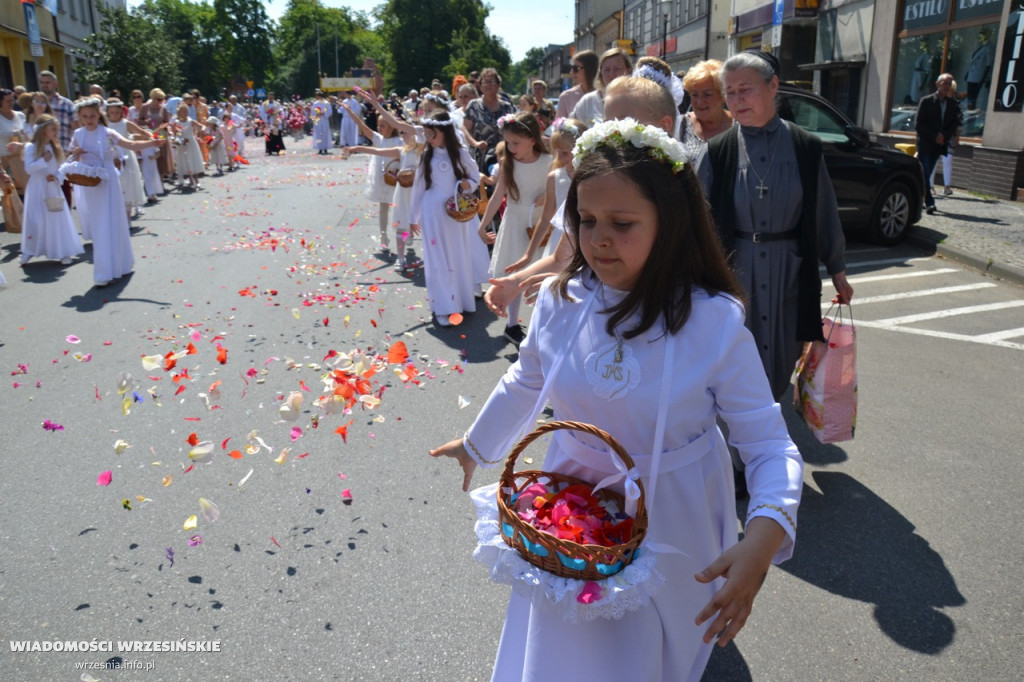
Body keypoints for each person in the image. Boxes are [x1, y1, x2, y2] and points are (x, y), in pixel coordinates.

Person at [429, 118, 803, 682]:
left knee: (647, 650)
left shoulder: (712, 322)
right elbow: (528, 380)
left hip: (675, 510)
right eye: (586, 220)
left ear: (671, 223)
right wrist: (476, 444)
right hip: (571, 507)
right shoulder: (561, 300)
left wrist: (763, 536)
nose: (598, 238)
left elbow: (768, 444)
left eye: (622, 224)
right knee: (569, 642)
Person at [698, 49, 853, 402]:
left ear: (773, 87)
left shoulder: (804, 146)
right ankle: (741, 433)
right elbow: (695, 223)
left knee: (784, 358)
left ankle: (768, 419)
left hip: (790, 271)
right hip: (735, 273)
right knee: (735, 363)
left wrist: (838, 270)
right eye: (730, 92)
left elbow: (824, 212)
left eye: (746, 89)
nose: (737, 100)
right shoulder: (717, 152)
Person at [483, 75, 679, 319]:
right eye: (608, 121)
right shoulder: (593, 185)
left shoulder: (676, 187)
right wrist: (515, 282)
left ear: (664, 126)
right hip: (601, 308)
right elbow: (560, 257)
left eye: (624, 121)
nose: (613, 130)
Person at [67, 97, 164, 286]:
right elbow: (70, 156)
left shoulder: (107, 133)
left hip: (108, 180)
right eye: (85, 116)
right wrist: (75, 152)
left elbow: (130, 145)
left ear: (99, 115)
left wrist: (152, 143)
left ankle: (120, 264)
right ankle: (104, 271)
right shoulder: (78, 134)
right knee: (99, 224)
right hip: (90, 182)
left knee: (113, 221)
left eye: (92, 116)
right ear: (79, 117)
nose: (89, 119)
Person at [476, 112, 552, 347]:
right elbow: (498, 195)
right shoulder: (508, 163)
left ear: (532, 139)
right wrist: (482, 225)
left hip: (542, 223)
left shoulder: (549, 160)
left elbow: (560, 184)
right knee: (515, 275)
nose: (510, 148)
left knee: (541, 274)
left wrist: (547, 195)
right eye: (507, 142)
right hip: (516, 222)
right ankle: (512, 324)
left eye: (516, 142)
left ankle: (541, 326)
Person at [408, 111, 490, 327]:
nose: (429, 138)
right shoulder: (427, 155)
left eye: (432, 133)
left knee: (457, 256)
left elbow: (474, 176)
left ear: (445, 132)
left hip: (454, 211)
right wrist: (413, 216)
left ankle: (461, 301)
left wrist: (467, 185)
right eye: (427, 134)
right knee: (438, 259)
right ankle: (444, 307)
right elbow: (418, 186)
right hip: (432, 212)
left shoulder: (460, 153)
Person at [508, 117, 588, 273]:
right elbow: (545, 219)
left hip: (585, 239)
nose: (560, 158)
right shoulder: (555, 178)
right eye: (557, 153)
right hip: (560, 242)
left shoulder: (593, 177)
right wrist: (529, 254)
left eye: (565, 153)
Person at [340, 98, 402, 255]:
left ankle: (404, 234)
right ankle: (383, 236)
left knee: (401, 207)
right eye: (379, 125)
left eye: (383, 126)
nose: (379, 128)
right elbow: (362, 126)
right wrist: (350, 112)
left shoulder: (400, 141)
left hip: (397, 178)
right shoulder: (378, 139)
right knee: (383, 206)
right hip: (382, 178)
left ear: (392, 126)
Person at [19, 115, 83, 266]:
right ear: (43, 130)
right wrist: (43, 160)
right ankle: (29, 250)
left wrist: (56, 177)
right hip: (37, 188)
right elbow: (29, 169)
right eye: (53, 129)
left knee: (56, 218)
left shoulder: (55, 147)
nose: (56, 132)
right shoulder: (31, 147)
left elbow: (61, 167)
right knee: (36, 219)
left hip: (52, 188)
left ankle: (62, 251)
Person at [916, 73, 961, 214]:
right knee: (925, 174)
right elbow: (919, 124)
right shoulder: (926, 101)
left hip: (939, 145)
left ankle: (918, 199)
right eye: (944, 83)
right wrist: (934, 135)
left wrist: (944, 136)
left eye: (949, 83)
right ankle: (929, 202)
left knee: (926, 174)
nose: (947, 86)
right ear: (937, 84)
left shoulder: (952, 104)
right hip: (926, 143)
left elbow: (953, 124)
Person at [464, 68, 516, 171]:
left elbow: (515, 130)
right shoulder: (474, 105)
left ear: (498, 85)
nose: (488, 85)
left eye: (491, 81)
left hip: (503, 155)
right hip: (480, 156)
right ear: (480, 86)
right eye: (485, 82)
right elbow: (465, 129)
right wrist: (475, 143)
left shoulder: (507, 107)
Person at [681, 59, 733, 160]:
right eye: (694, 95)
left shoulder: (739, 125)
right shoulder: (681, 125)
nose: (700, 101)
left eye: (707, 94)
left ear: (723, 96)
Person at [104, 98, 148, 219]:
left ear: (121, 112)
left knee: (128, 184)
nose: (115, 115)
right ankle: (117, 214)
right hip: (111, 156)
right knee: (115, 184)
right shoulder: (105, 125)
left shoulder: (125, 123)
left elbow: (142, 132)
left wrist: (152, 136)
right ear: (108, 112)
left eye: (117, 112)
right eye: (112, 112)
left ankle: (127, 215)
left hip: (126, 154)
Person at [571, 48, 632, 127]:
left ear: (629, 71)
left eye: (617, 69)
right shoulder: (588, 101)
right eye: (607, 70)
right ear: (600, 73)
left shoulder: (637, 100)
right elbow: (571, 129)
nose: (611, 74)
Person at [0, 88, 28, 195]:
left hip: (22, 160)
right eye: (8, 101)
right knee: (12, 194)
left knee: (26, 192)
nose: (11, 103)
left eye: (12, 100)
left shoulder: (20, 115)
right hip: (6, 162)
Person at [38, 71, 74, 152]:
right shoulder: (35, 105)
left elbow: (75, 127)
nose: (44, 85)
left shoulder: (66, 104)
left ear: (55, 84)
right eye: (42, 82)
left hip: (63, 150)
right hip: (42, 152)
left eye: (47, 82)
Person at [171, 103, 204, 191]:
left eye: (186, 111)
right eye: (183, 111)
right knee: (186, 160)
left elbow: (201, 126)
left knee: (193, 160)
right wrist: (179, 137)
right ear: (179, 113)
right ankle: (190, 179)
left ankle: (196, 180)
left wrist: (201, 130)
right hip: (183, 142)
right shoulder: (177, 122)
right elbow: (176, 133)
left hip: (191, 142)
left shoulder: (190, 120)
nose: (185, 113)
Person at [557, 49, 598, 119]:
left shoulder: (605, 95)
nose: (571, 72)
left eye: (576, 68)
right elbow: (558, 124)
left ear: (589, 69)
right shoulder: (566, 96)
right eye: (572, 68)